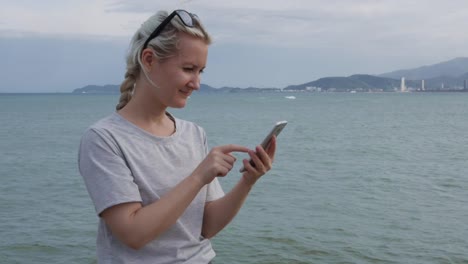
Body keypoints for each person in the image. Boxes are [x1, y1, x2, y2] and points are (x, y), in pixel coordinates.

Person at [78, 9, 276, 264]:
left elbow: (206, 227)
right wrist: (198, 177)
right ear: (148, 59)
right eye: (188, 69)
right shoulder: (104, 139)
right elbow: (133, 234)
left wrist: (248, 181)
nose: (196, 83)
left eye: (201, 71)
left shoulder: (194, 134)